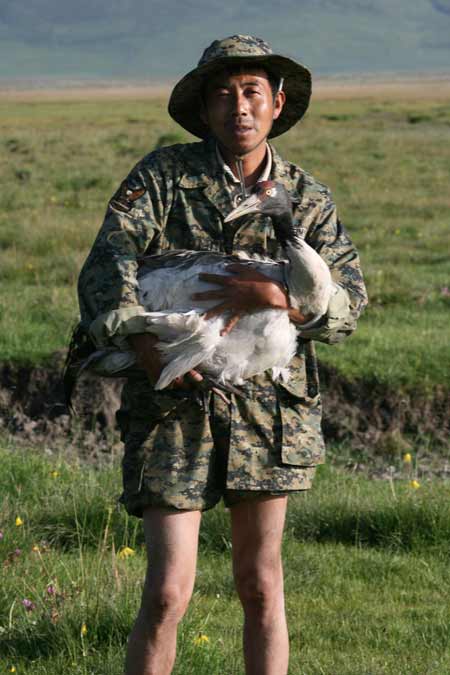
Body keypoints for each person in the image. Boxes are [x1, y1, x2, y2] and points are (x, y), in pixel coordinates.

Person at [77, 34, 367, 675]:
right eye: (224, 94)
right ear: (206, 109)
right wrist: (145, 346)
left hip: (271, 413)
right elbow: (108, 265)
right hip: (172, 400)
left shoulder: (307, 198)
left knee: (262, 587)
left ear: (277, 102)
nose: (239, 106)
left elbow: (348, 304)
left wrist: (273, 294)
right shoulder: (163, 179)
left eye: (252, 92)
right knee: (166, 592)